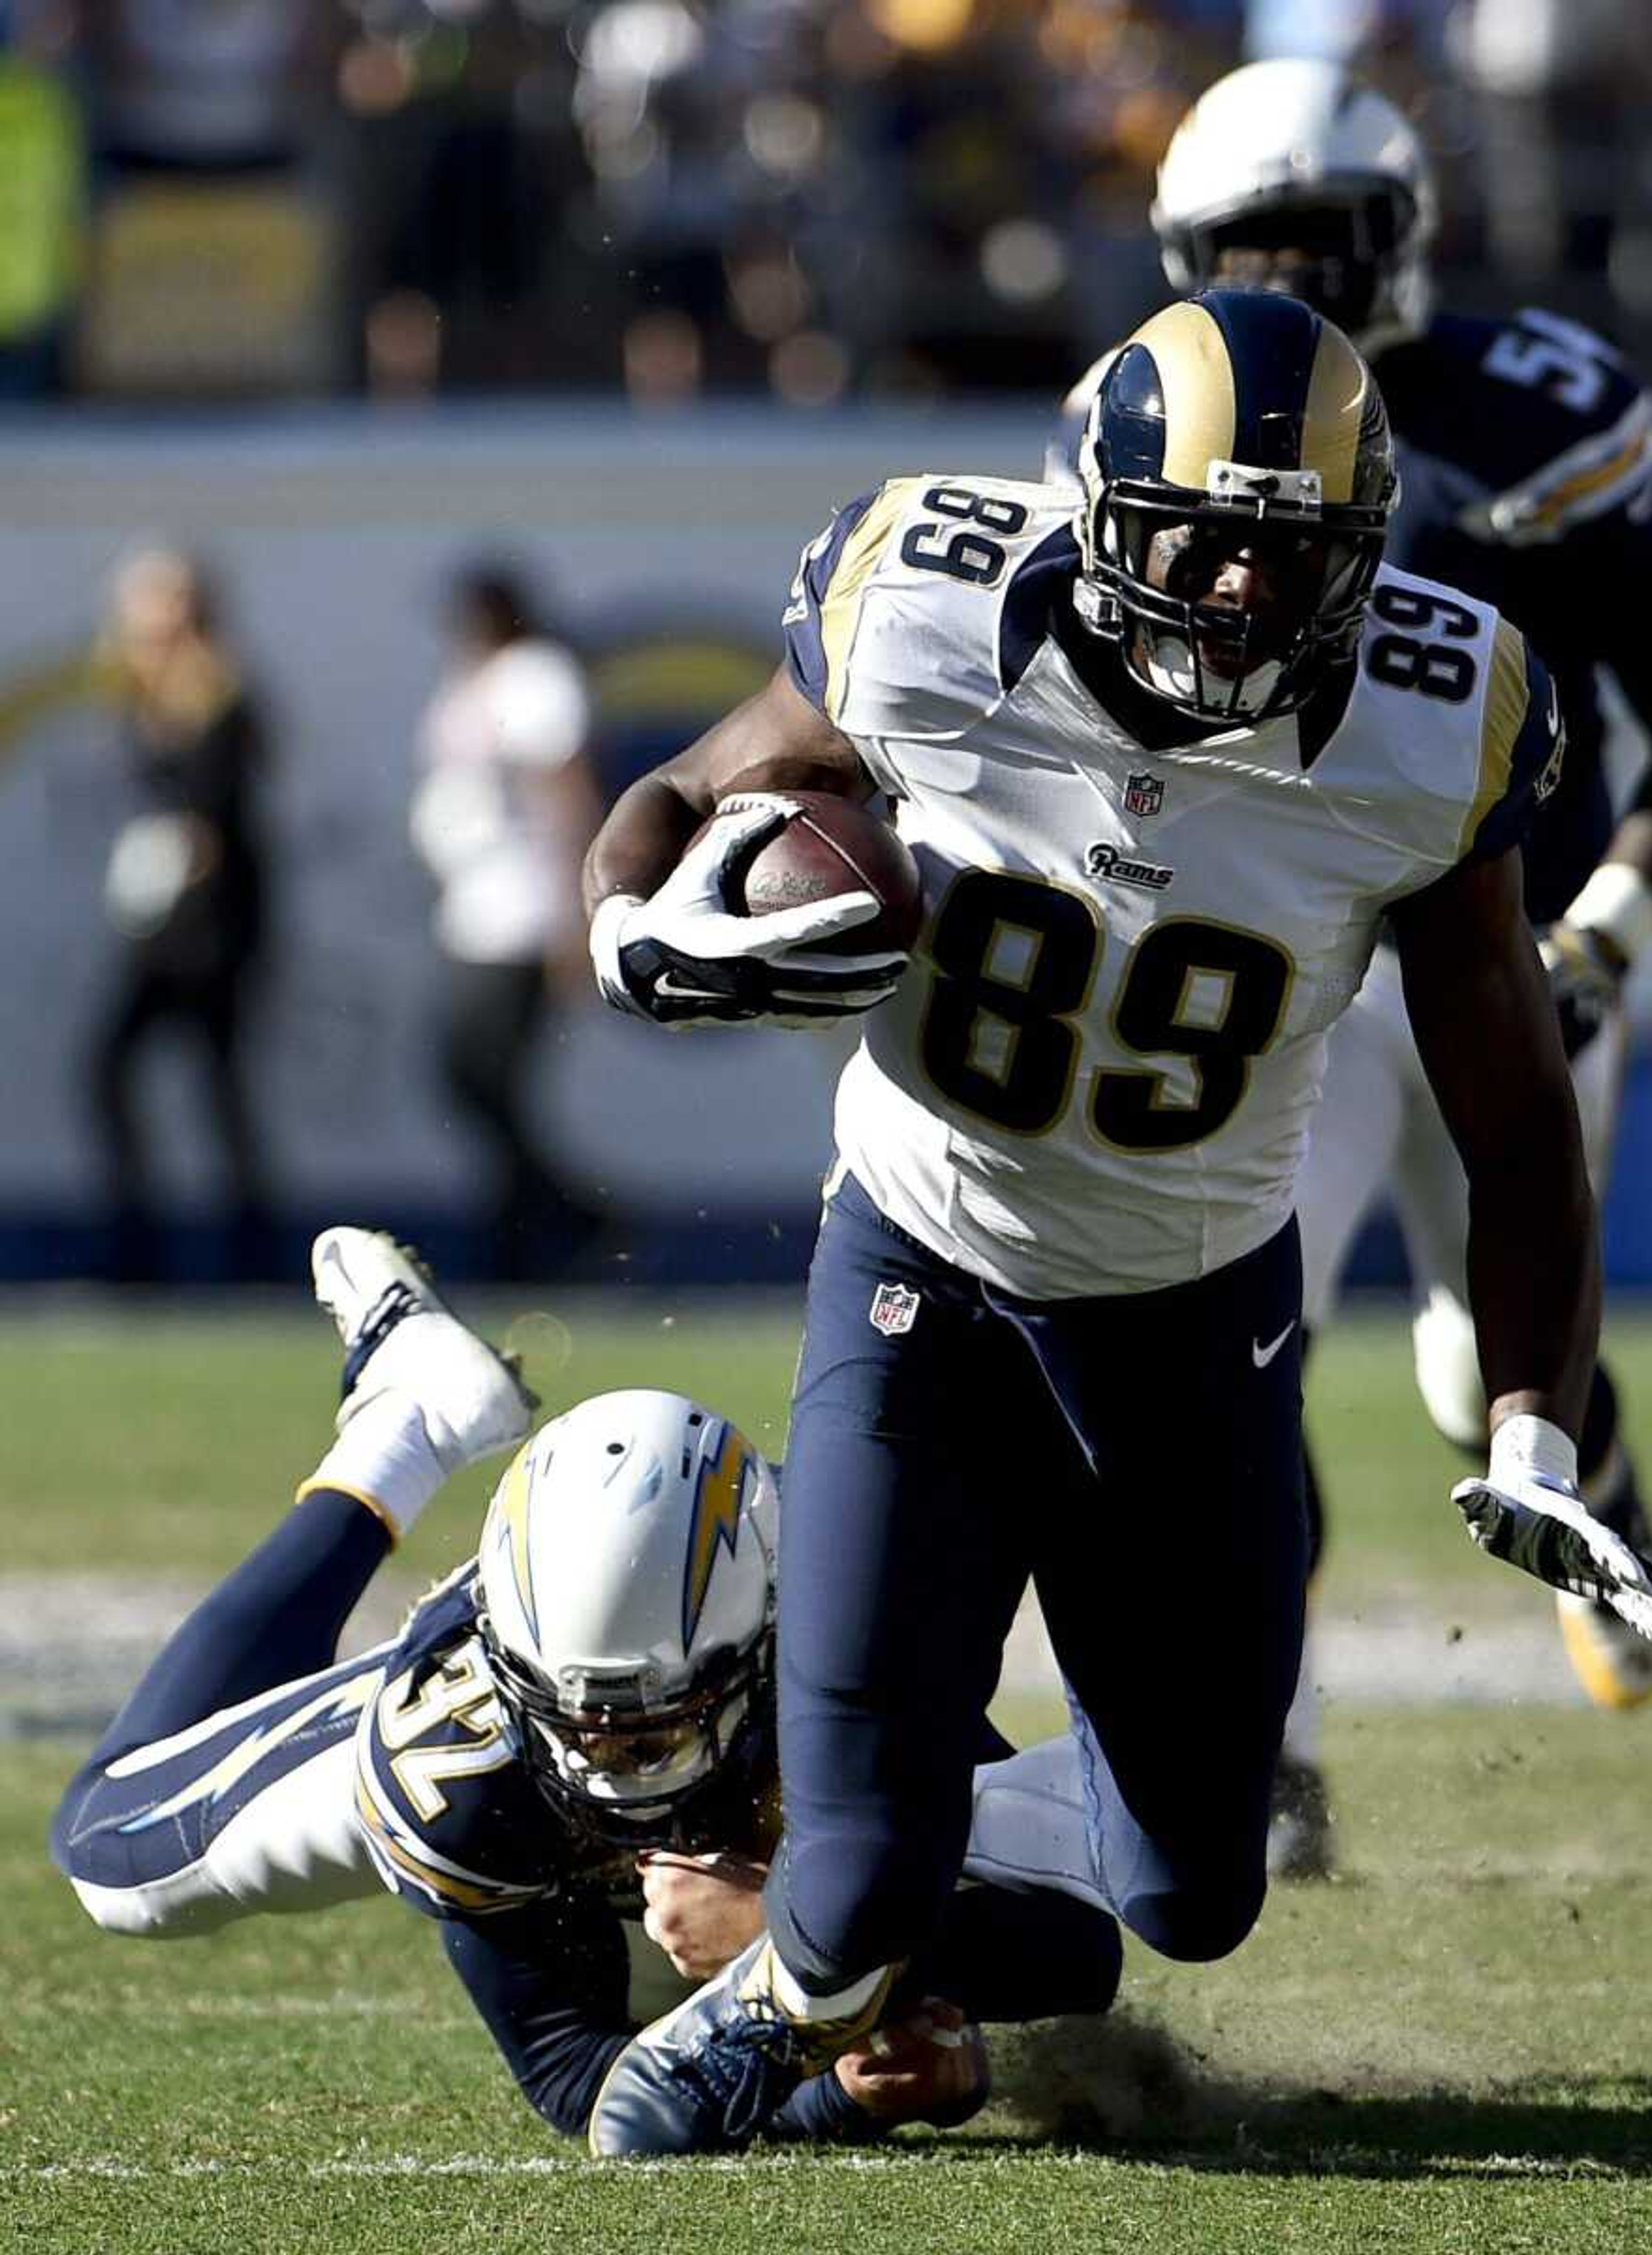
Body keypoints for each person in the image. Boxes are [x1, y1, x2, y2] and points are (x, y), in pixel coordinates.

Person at [581, 286, 1652, 2156]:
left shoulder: (1433, 719)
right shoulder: (918, 610)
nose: (1243, 596)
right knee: (849, 1887)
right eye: (1203, 542)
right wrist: (626, 921)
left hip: (1190, 1328)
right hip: (922, 1271)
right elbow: (688, 787)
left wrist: (1534, 1418)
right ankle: (796, 1958)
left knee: (1195, 1890)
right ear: (1098, 516)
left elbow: (1516, 1124)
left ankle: (907, 1815)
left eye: (1292, 550)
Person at [1048, 60, 1652, 1872]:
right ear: (1184, 254)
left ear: (1403, 240)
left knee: (1476, 1369)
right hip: (1288, 966)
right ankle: (1260, 1745)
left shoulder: (1532, 414)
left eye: (1321, 237)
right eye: (1249, 244)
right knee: (1237, 1349)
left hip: (1509, 940)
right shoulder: (1147, 415)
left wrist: (1602, 931)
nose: (1286, 277)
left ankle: (1587, 1465)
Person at [50, 1227, 1120, 2145]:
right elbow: (576, 2077)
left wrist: (807, 1953)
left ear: (756, 1651)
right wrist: (812, 2007)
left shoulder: (838, 1653)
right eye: (584, 1724)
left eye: (655, 1728)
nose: (608, 1763)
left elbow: (1077, 1944)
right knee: (112, 1862)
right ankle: (407, 1427)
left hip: (708, 1836)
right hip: (529, 1796)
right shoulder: (459, 1751)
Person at [411, 561, 607, 1280]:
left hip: (522, 910)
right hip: (474, 912)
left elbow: (566, 794)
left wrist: (575, 913)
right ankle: (538, 1223)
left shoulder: (536, 678)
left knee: (484, 1078)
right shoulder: (474, 682)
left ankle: (562, 1221)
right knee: (471, 1078)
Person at [87, 546, 272, 1282]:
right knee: (143, 1071)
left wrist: (167, 876)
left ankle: (242, 1247)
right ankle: (148, 1235)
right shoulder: (146, 695)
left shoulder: (219, 692)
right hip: (173, 917)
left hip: (213, 920)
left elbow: (214, 816)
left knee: (215, 1078)